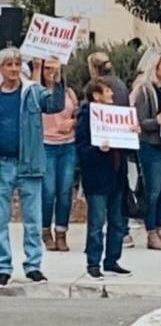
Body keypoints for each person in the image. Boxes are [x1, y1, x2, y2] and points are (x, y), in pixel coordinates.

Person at [0, 50, 64, 287]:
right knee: (0, 219)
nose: (14, 69)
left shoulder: (32, 92)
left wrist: (56, 77)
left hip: (29, 162)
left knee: (33, 219)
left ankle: (34, 265)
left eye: (17, 64)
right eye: (9, 64)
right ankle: (3, 266)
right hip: (2, 163)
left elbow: (55, 104)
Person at [76, 78, 138, 279]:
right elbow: (81, 148)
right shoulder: (86, 117)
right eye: (107, 91)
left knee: (118, 221)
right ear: (96, 95)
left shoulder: (118, 115)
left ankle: (112, 260)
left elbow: (127, 147)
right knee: (96, 222)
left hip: (117, 176)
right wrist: (97, 149)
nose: (112, 94)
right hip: (97, 177)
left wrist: (132, 134)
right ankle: (93, 262)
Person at [130, 52, 161, 250]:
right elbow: (139, 123)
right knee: (154, 191)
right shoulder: (144, 90)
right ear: (155, 68)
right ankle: (151, 232)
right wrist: (156, 122)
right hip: (151, 145)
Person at [41, 65, 79, 252]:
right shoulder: (38, 91)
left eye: (55, 68)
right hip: (46, 145)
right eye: (47, 68)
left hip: (68, 145)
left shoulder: (68, 92)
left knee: (65, 192)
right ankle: (45, 230)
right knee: (48, 192)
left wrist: (73, 122)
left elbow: (78, 113)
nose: (52, 71)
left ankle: (62, 232)